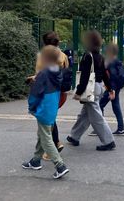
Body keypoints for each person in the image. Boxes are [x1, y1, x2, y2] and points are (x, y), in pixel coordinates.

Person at [22, 45, 69, 179]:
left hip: (43, 109)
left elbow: (36, 94)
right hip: (52, 108)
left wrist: (32, 107)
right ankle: (35, 161)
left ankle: (60, 166)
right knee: (42, 134)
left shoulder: (43, 73)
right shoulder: (57, 71)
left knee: (46, 138)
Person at [66, 30, 116, 151]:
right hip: (98, 87)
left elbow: (85, 76)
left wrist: (78, 92)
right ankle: (74, 136)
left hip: (90, 88)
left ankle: (108, 141)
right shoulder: (99, 56)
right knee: (85, 114)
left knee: (96, 116)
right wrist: (110, 89)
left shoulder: (88, 56)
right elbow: (104, 74)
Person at [28, 31, 70, 159]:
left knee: (47, 119)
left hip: (47, 93)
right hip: (61, 92)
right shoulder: (63, 55)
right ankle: (51, 145)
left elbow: (41, 77)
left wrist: (32, 80)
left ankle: (53, 148)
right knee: (51, 117)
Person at [98, 43, 124, 135]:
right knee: (116, 106)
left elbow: (113, 76)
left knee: (100, 105)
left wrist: (112, 90)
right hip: (116, 87)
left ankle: (99, 128)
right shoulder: (117, 60)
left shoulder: (111, 62)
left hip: (112, 88)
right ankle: (121, 128)